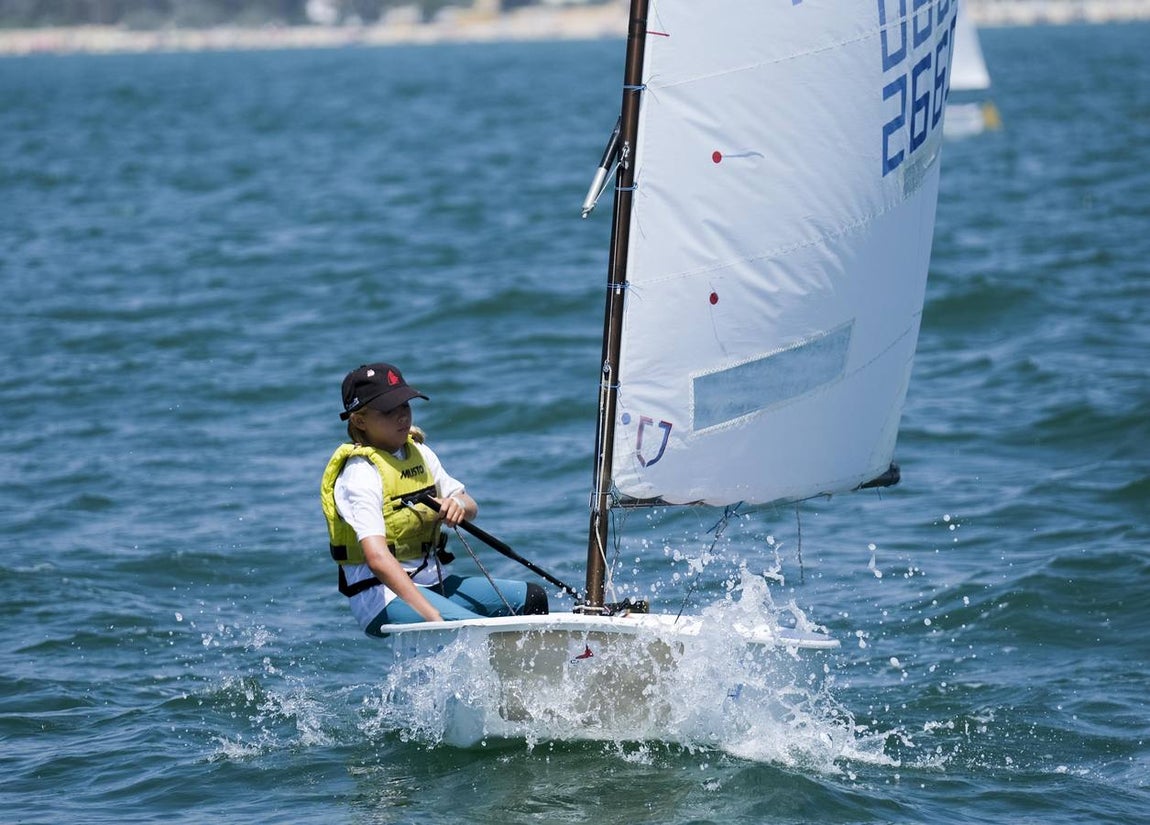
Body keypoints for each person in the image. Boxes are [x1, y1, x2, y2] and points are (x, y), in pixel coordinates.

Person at [320, 362, 548, 636]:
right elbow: (377, 558)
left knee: (532, 598)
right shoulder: (360, 473)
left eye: (405, 405)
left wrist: (457, 505)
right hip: (380, 596)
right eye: (389, 410)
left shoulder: (419, 453)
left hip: (432, 583)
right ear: (359, 421)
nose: (402, 416)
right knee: (473, 630)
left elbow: (470, 504)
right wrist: (434, 617)